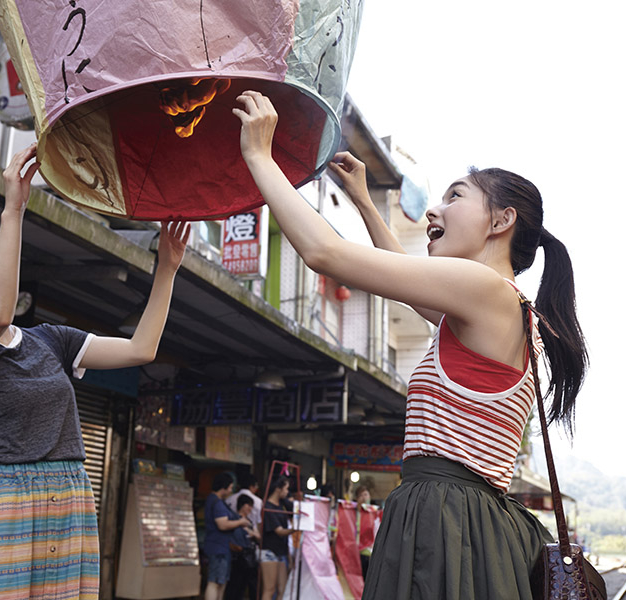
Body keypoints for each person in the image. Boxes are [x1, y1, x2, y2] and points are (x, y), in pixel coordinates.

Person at [233, 91, 587, 599]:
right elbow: (401, 273)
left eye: (455, 197)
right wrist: (362, 200)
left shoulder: (484, 291)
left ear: (501, 220)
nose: (433, 212)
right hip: (466, 523)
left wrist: (258, 156)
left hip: (446, 520)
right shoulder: (506, 309)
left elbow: (323, 252)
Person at [0, 144, 190, 599]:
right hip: (1, 503)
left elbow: (142, 349)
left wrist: (167, 269)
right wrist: (14, 209)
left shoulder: (50, 340)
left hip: (69, 496)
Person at [204, 472, 252, 600]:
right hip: (218, 547)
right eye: (230, 487)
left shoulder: (215, 500)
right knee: (215, 581)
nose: (231, 490)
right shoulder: (217, 503)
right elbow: (222, 524)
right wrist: (240, 522)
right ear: (223, 487)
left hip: (220, 546)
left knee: (221, 581)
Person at [261, 476, 294, 600]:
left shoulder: (282, 504)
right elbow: (279, 531)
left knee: (282, 589)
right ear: (278, 489)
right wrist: (294, 529)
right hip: (270, 551)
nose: (287, 492)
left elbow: (294, 507)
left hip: (281, 551)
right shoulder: (268, 507)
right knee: (269, 589)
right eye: (286, 489)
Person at [224, 495, 260, 600]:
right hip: (237, 557)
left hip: (249, 558)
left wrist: (252, 533)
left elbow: (258, 536)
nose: (250, 509)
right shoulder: (234, 519)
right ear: (243, 505)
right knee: (235, 587)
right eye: (249, 505)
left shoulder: (250, 522)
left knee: (246, 586)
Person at [354, 485, 374, 579]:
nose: (363, 497)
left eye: (365, 494)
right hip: (355, 550)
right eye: (361, 495)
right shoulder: (353, 512)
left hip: (370, 551)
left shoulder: (374, 513)